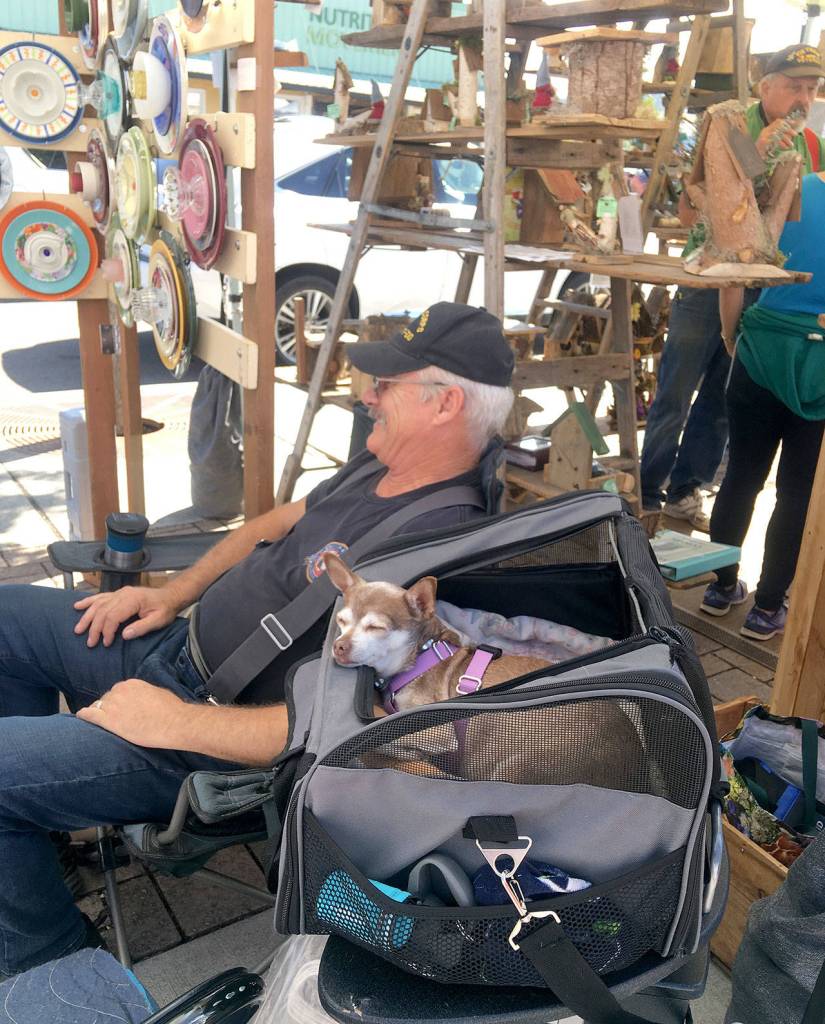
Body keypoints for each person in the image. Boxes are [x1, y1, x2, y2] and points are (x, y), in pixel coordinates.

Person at [0, 301, 515, 980]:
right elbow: (268, 525)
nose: (366, 394)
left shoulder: (436, 552)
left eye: (386, 384)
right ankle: (35, 834)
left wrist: (176, 720)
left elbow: (369, 725)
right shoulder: (380, 463)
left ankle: (54, 968)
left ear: (445, 403)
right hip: (175, 653)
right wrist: (168, 593)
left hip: (205, 734)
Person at [640, 44, 825, 530]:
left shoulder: (809, 141)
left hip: (765, 282)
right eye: (794, 86)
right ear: (765, 86)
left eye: (812, 88)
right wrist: (758, 151)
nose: (804, 97)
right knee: (676, 390)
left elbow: (798, 213)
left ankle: (686, 489)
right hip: (711, 275)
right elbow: (691, 205)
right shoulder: (728, 122)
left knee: (726, 395)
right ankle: (647, 491)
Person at [700, 169, 825, 639]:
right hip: (818, 354)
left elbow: (731, 273)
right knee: (797, 491)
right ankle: (768, 608)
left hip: (760, 344)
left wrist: (732, 334)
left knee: (741, 475)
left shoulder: (792, 186)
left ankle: (721, 587)